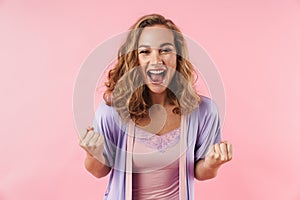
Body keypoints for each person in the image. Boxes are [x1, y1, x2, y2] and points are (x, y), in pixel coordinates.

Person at [79, 13, 233, 200]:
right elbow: (98, 171)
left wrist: (212, 164)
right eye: (145, 52)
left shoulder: (203, 111)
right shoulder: (112, 112)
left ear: (178, 57)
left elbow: (201, 172)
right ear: (135, 59)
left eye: (165, 50)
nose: (156, 60)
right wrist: (93, 155)